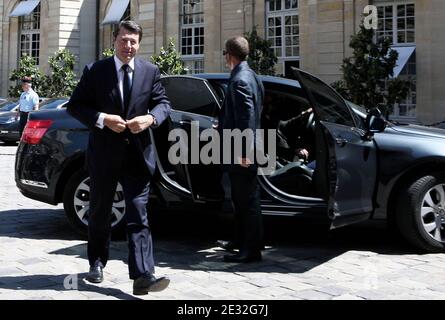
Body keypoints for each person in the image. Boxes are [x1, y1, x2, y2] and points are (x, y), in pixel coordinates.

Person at [66, 20, 171, 295]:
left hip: (138, 155)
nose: (128, 46)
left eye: (133, 41)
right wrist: (102, 119)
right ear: (115, 40)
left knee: (139, 214)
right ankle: (97, 262)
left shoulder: (150, 71)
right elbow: (76, 106)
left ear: (139, 43)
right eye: (124, 40)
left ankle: (143, 274)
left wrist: (149, 119)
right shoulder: (96, 70)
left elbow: (163, 104)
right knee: (100, 212)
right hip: (104, 155)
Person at [216, 36, 264, 263]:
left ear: (229, 55)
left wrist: (244, 153)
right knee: (240, 198)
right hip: (244, 147)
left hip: (242, 150)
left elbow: (247, 118)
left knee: (248, 201)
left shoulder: (240, 81)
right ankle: (239, 240)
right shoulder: (252, 75)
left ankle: (251, 250)